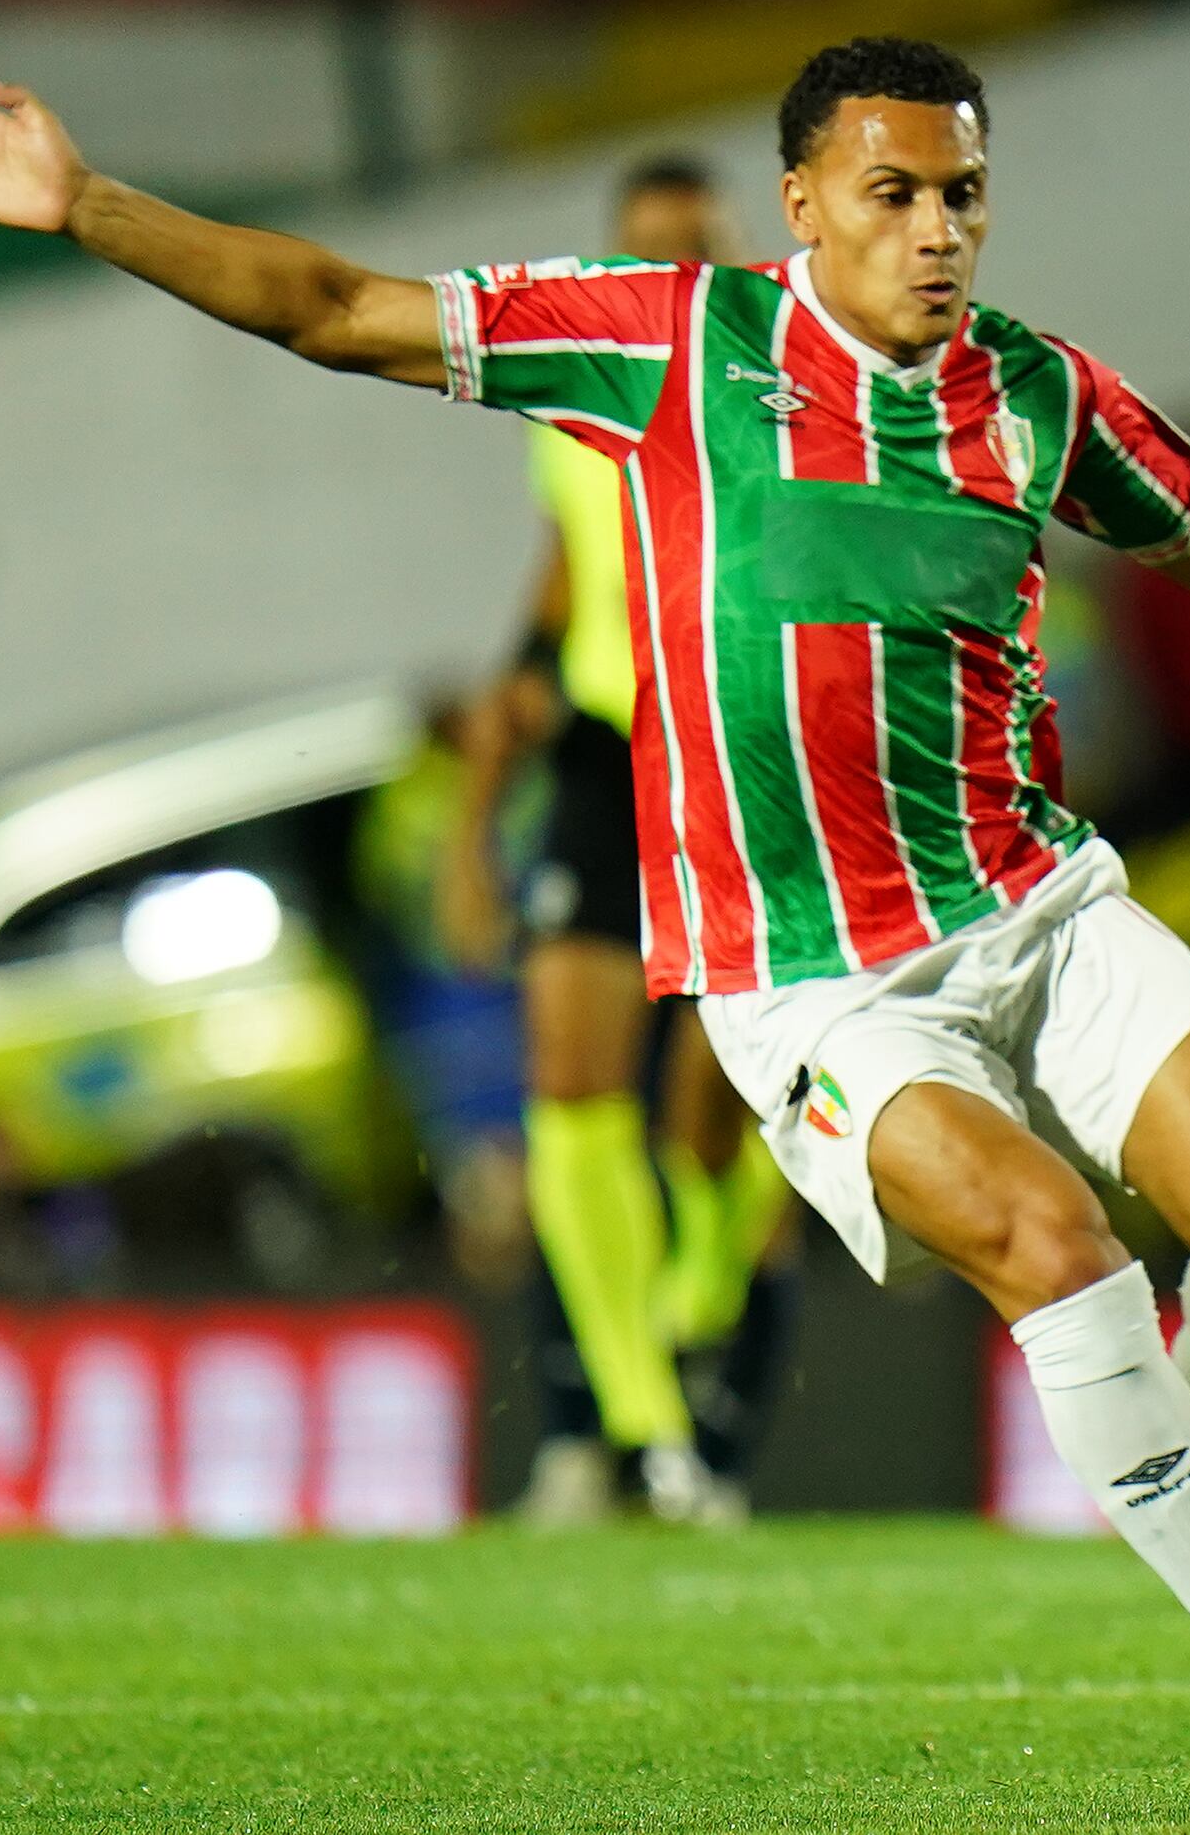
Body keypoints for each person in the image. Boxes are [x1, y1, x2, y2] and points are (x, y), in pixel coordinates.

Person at [0, 35, 1190, 1770]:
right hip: (820, 979)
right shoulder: (676, 342)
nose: (935, 230)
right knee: (1057, 1252)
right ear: (803, 201)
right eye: (893, 194)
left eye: (963, 194)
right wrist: (89, 205)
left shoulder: (1036, 394)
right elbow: (333, 306)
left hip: (1037, 904)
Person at [436, 154, 804, 1529]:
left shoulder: (789, 381)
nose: (672, 273)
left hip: (744, 750)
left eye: (694, 247)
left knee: (724, 1101)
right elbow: (568, 566)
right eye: (648, 251)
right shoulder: (575, 390)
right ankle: (630, 1426)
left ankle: (698, 1314)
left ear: (740, 253)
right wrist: (492, 768)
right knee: (569, 1081)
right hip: (610, 749)